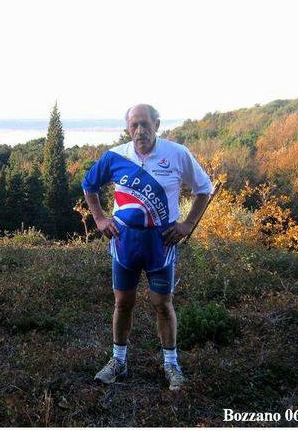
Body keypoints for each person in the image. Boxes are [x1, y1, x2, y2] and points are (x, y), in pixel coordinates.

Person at [82, 103, 213, 391]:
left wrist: (188, 224)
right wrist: (100, 219)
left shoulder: (177, 154)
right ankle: (118, 361)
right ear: (127, 128)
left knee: (162, 305)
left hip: (160, 245)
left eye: (145, 124)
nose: (140, 130)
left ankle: (171, 365)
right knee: (122, 303)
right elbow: (89, 184)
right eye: (134, 125)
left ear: (157, 124)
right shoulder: (115, 156)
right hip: (124, 243)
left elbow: (205, 188)